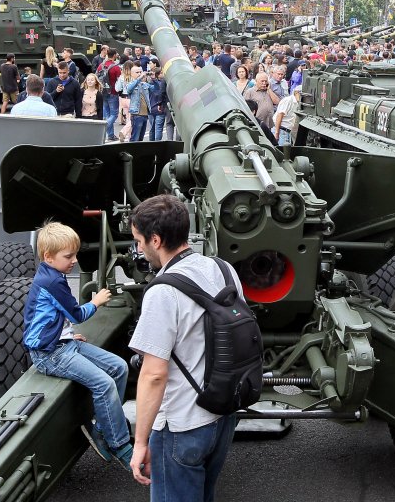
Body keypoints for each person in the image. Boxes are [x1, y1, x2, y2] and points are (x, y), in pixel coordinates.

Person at [128, 195, 243, 500]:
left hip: (181, 425)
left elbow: (154, 374)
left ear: (155, 240)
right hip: (222, 415)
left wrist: (140, 443)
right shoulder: (224, 270)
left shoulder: (162, 291)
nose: (139, 248)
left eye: (139, 241)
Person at [22, 222, 132, 469]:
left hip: (61, 343)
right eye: (68, 256)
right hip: (49, 354)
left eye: (75, 254)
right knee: (104, 384)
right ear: (48, 257)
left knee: (119, 367)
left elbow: (53, 315)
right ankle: (119, 444)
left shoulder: (51, 274)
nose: (74, 260)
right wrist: (97, 301)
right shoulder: (52, 282)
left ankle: (102, 429)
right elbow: (77, 314)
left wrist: (66, 335)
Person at [99, 49, 122, 141]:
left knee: (108, 114)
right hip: (113, 92)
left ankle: (111, 135)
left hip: (103, 92)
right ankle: (104, 127)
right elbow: (120, 80)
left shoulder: (101, 65)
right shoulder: (116, 67)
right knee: (114, 115)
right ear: (114, 55)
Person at [125, 65, 152, 142]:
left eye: (140, 72)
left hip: (145, 115)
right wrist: (139, 78)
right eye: (137, 72)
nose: (140, 74)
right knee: (135, 138)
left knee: (140, 139)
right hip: (137, 114)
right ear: (132, 74)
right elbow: (129, 89)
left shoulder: (144, 84)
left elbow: (155, 89)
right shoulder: (130, 84)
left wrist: (154, 79)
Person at [147, 69, 168, 141]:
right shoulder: (163, 84)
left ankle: (152, 143)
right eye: (161, 73)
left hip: (152, 108)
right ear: (158, 75)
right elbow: (159, 89)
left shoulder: (149, 84)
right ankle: (157, 143)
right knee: (158, 128)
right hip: (160, 108)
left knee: (152, 128)